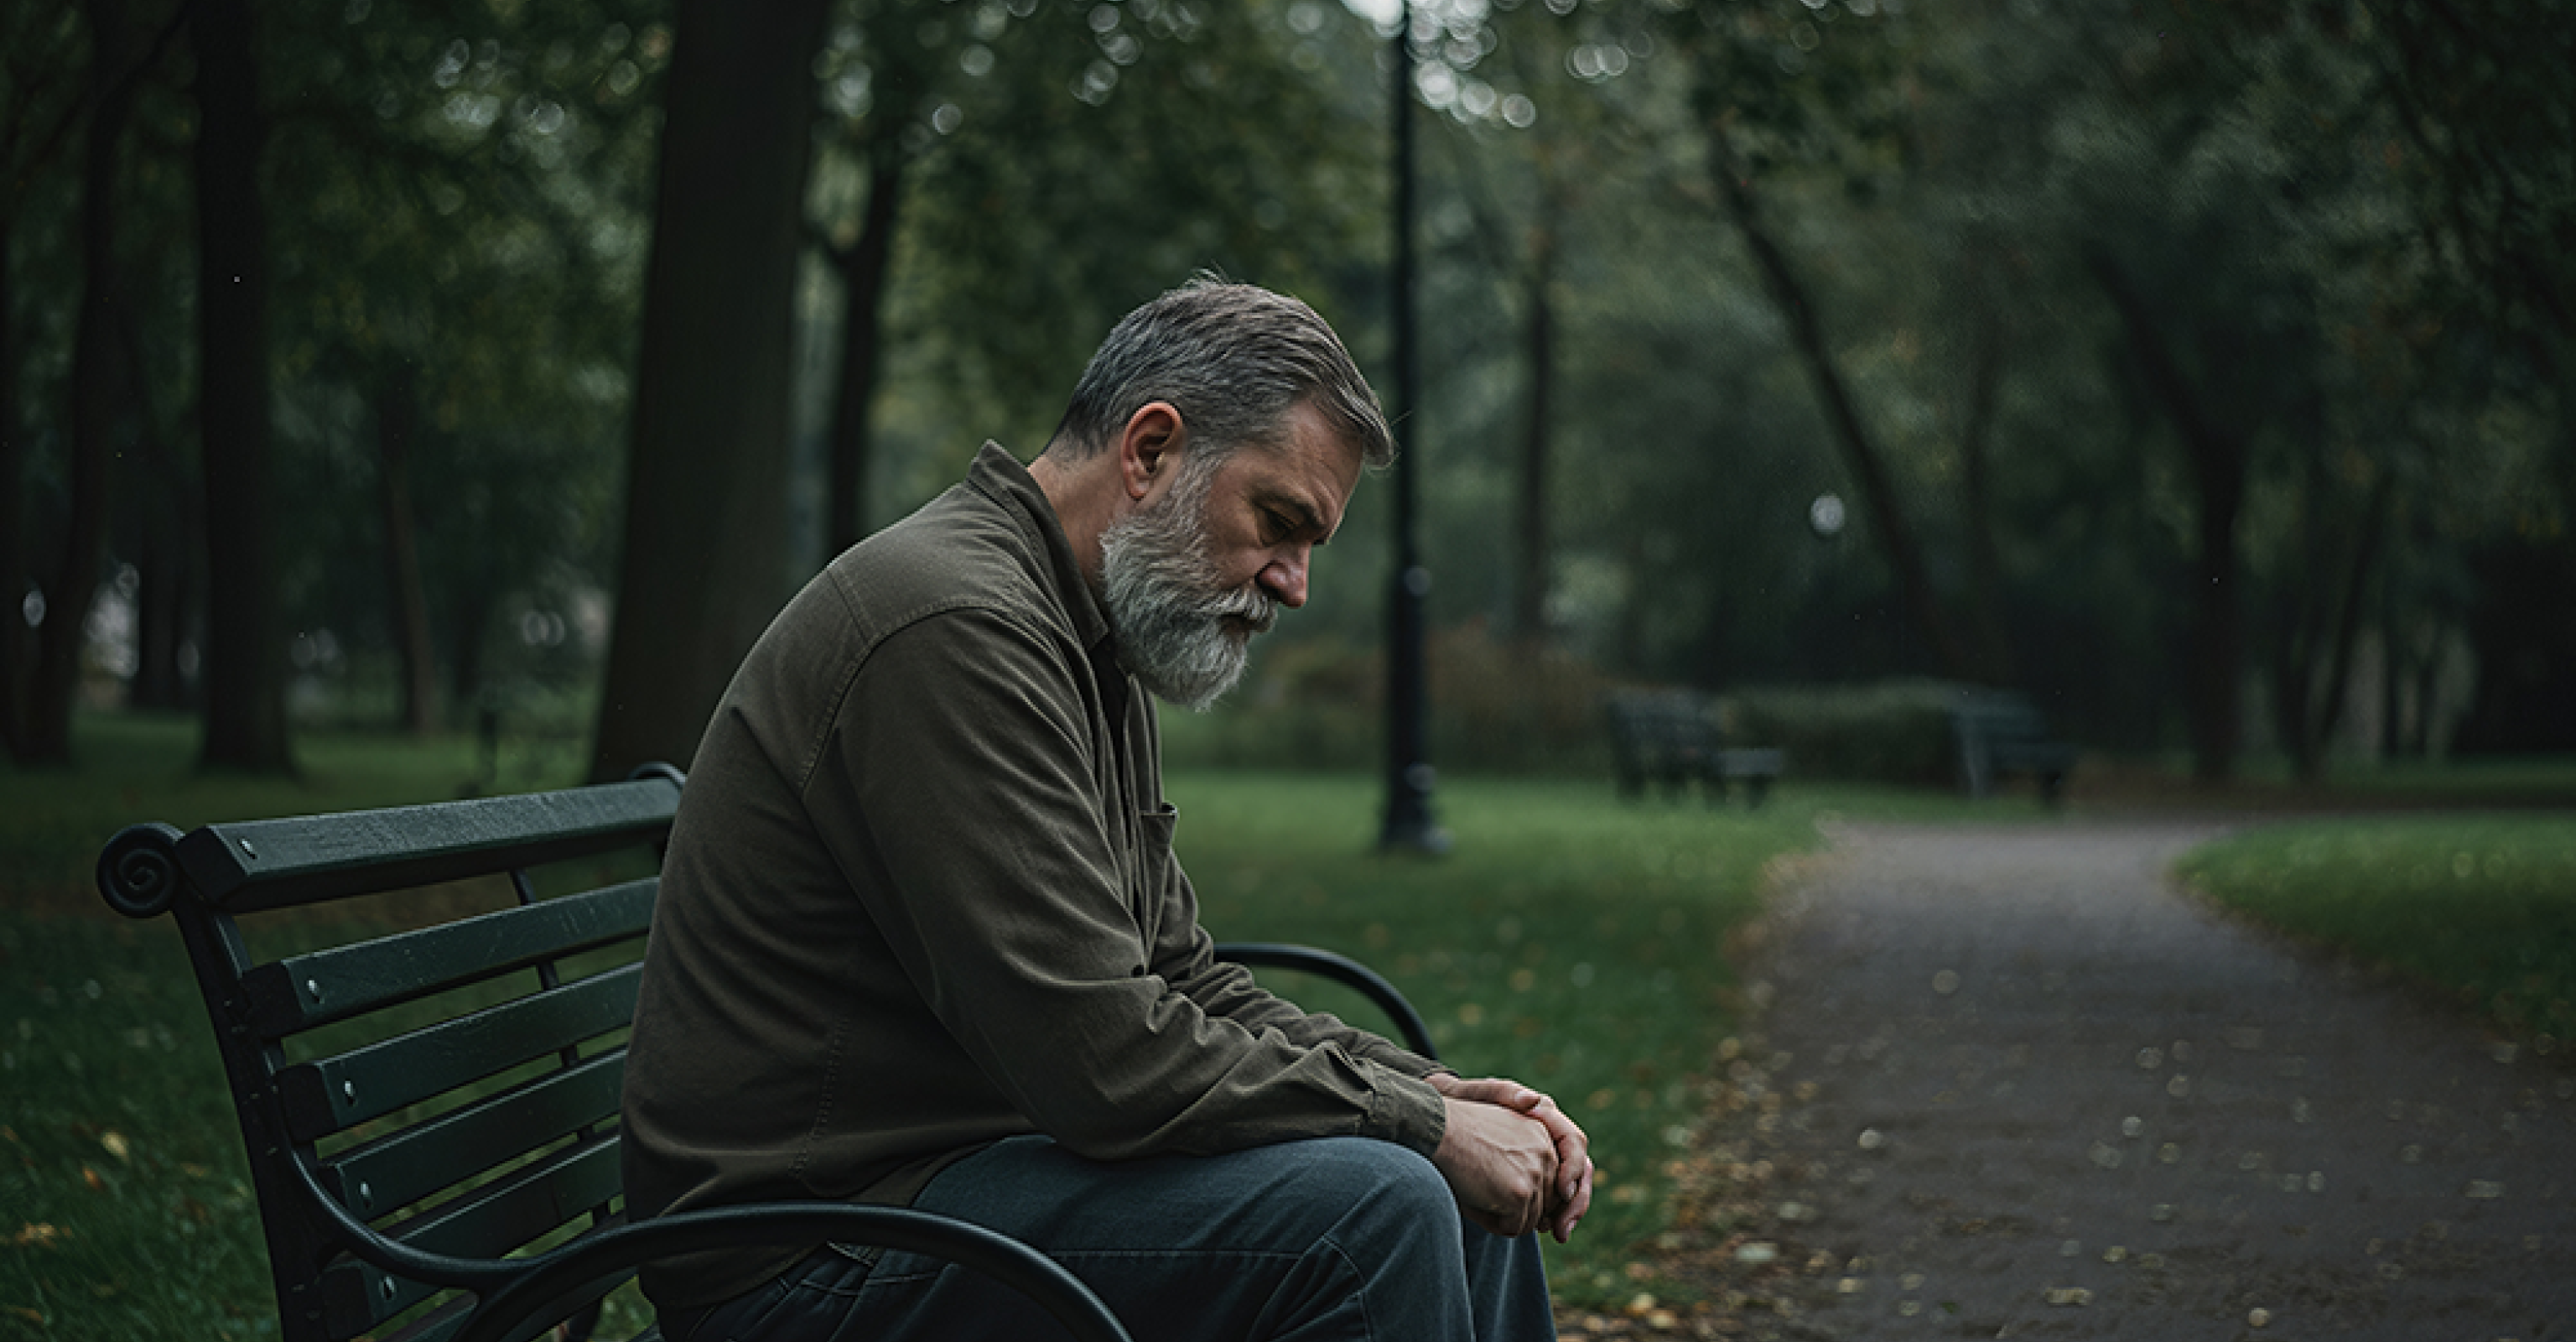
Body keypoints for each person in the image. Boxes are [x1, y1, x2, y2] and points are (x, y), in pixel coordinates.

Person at [621, 278, 1591, 1341]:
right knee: (1379, 1207)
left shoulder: (1082, 636)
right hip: (802, 1257)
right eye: (1280, 521)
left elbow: (1179, 979)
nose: (1294, 583)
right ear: (1151, 450)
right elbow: (1106, 1064)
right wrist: (1418, 1126)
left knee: (1444, 1191)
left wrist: (1447, 1095)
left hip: (939, 1189)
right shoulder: (956, 628)